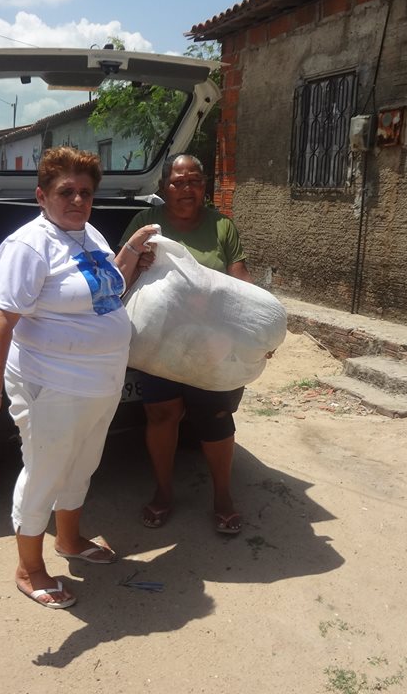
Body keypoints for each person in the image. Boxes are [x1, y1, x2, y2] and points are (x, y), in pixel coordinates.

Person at [0, 147, 158, 610]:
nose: (78, 200)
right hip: (51, 385)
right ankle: (29, 568)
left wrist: (130, 252)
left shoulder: (89, 234)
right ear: (41, 196)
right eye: (66, 192)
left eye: (85, 192)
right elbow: (0, 320)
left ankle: (69, 540)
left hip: (100, 382)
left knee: (82, 465)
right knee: (44, 472)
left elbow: (106, 289)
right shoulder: (28, 246)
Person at [120, 153, 255, 536]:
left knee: (215, 416)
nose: (186, 189)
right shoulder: (145, 223)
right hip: (158, 343)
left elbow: (241, 283)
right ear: (164, 187)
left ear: (204, 185)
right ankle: (164, 492)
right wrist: (137, 262)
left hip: (212, 342)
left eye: (194, 181)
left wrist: (258, 328)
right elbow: (119, 276)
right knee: (162, 416)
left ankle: (223, 497)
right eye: (178, 182)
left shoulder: (221, 226)